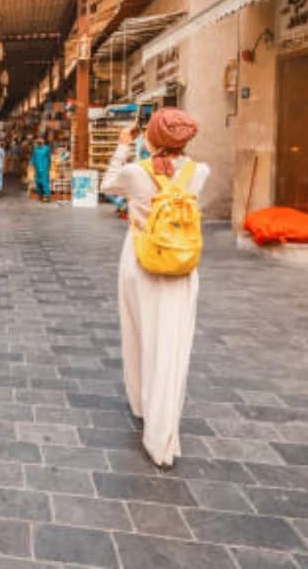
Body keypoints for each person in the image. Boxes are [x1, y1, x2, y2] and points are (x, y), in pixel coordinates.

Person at [100, 108, 209, 469]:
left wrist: (123, 146)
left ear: (152, 137)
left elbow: (107, 185)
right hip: (181, 266)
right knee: (170, 346)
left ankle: (142, 406)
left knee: (137, 335)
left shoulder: (136, 172)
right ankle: (162, 429)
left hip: (140, 262)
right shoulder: (199, 172)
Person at [30, 137, 52, 201]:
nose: (38, 144)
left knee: (43, 182)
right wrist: (31, 164)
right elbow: (33, 158)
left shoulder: (46, 149)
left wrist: (49, 166)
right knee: (39, 182)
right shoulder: (36, 149)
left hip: (43, 168)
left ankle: (46, 196)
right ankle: (41, 195)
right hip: (40, 168)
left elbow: (49, 158)